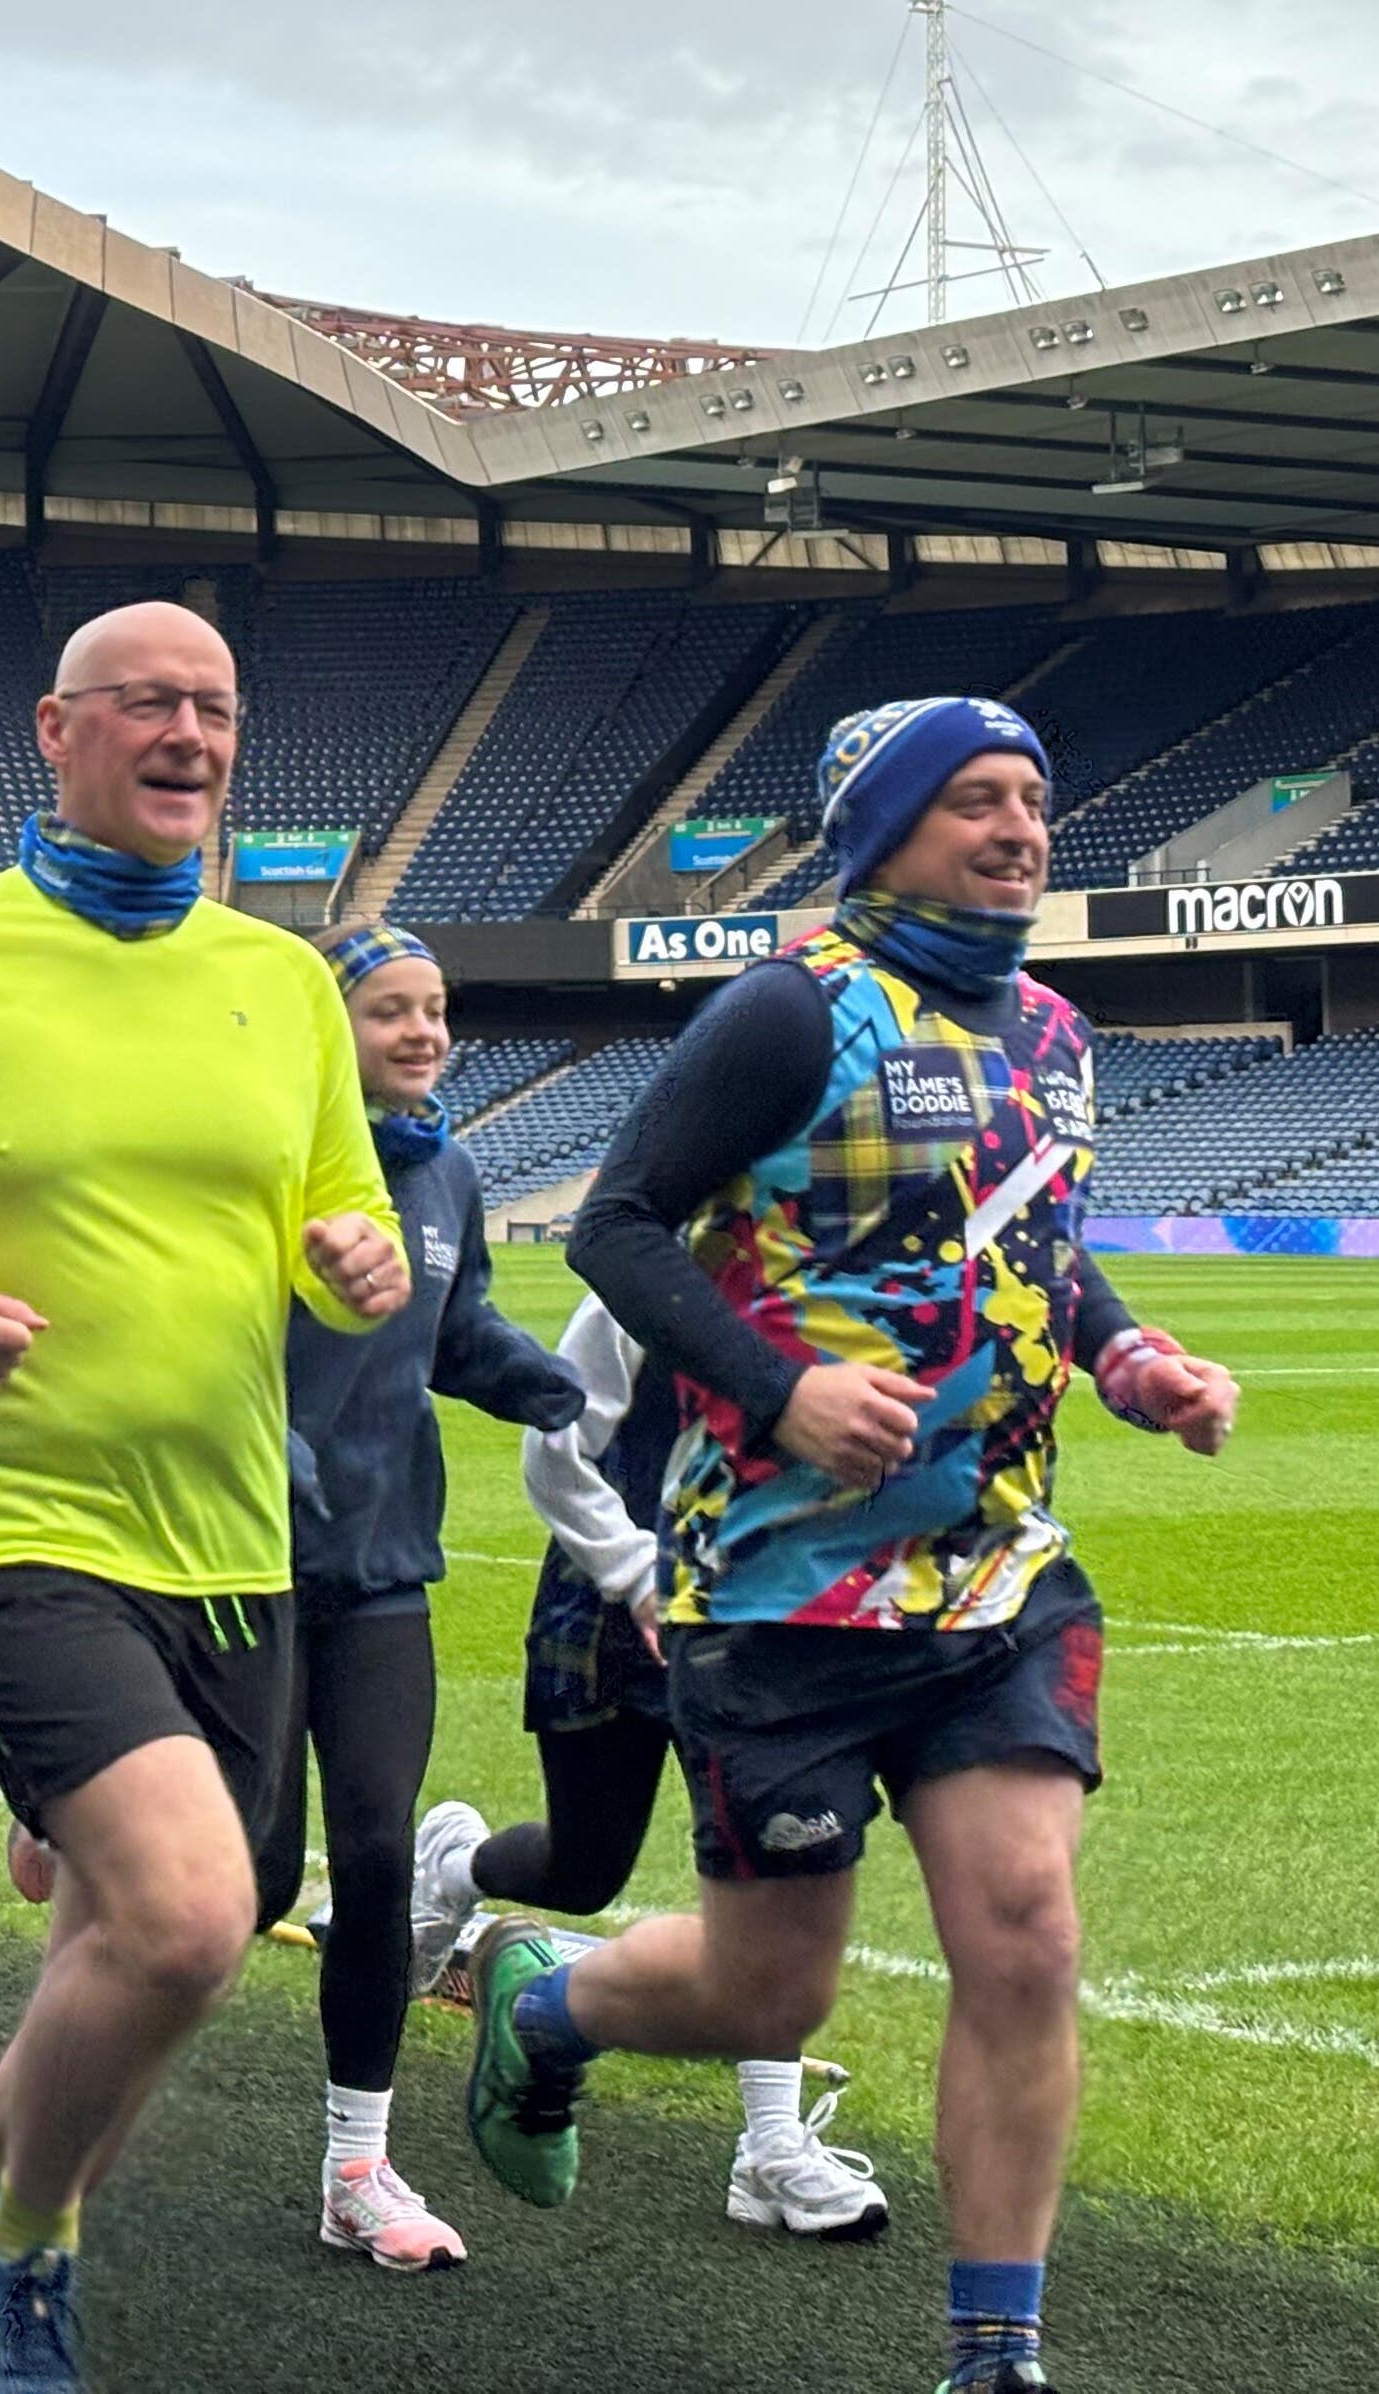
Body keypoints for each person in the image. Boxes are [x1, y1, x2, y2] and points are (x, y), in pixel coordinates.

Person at [457, 698, 1241, 2394]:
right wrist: (782, 1387)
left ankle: (993, 2349)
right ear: (883, 828)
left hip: (994, 1566)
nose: (1019, 827)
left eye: (1034, 796)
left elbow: (1046, 1235)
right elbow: (614, 1222)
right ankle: (548, 2000)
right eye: (975, 799)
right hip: (777, 1583)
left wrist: (1131, 1358)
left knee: (1024, 1928)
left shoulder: (1054, 1030)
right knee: (770, 1992)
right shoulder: (787, 1011)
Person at [0, 598, 408, 2394]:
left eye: (218, 704)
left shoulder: (282, 982)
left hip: (230, 1535)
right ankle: (22, 2260)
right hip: (6, 1520)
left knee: (119, 1962)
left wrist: (357, 1255)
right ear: (57, 728)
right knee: (193, 1914)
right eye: (151, 703)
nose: (190, 732)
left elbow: (345, 1217)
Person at [406, 1291, 893, 2242]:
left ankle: (770, 2149)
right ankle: (455, 1863)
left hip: (768, 1623)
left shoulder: (840, 1275)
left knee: (772, 1872)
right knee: (584, 1870)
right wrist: (638, 1577)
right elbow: (555, 1450)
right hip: (619, 1604)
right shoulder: (640, 1290)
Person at [249, 923, 579, 2272]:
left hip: (383, 1570)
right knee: (245, 1875)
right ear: (327, 1028)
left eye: (432, 1009)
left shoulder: (442, 1168)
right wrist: (283, 1455)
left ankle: (354, 2165)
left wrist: (563, 1389)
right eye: (389, 1010)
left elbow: (454, 1337)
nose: (421, 1032)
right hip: (246, 1564)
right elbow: (205, 1343)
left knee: (377, 1854)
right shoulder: (263, 1161)